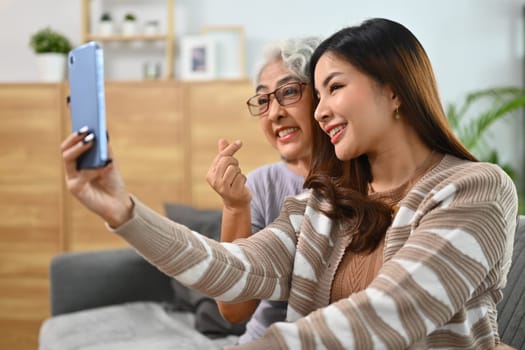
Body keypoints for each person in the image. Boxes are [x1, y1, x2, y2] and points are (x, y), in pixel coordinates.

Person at [61, 18, 518, 349]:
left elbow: (389, 313)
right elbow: (232, 268)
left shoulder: (475, 188)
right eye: (316, 96)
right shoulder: (324, 204)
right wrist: (123, 211)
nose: (319, 112)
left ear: (395, 89)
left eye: (333, 88)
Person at [205, 37, 320, 343]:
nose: (274, 113)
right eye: (264, 100)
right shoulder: (259, 186)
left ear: (322, 95)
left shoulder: (369, 178)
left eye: (289, 92)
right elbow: (234, 309)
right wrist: (234, 207)